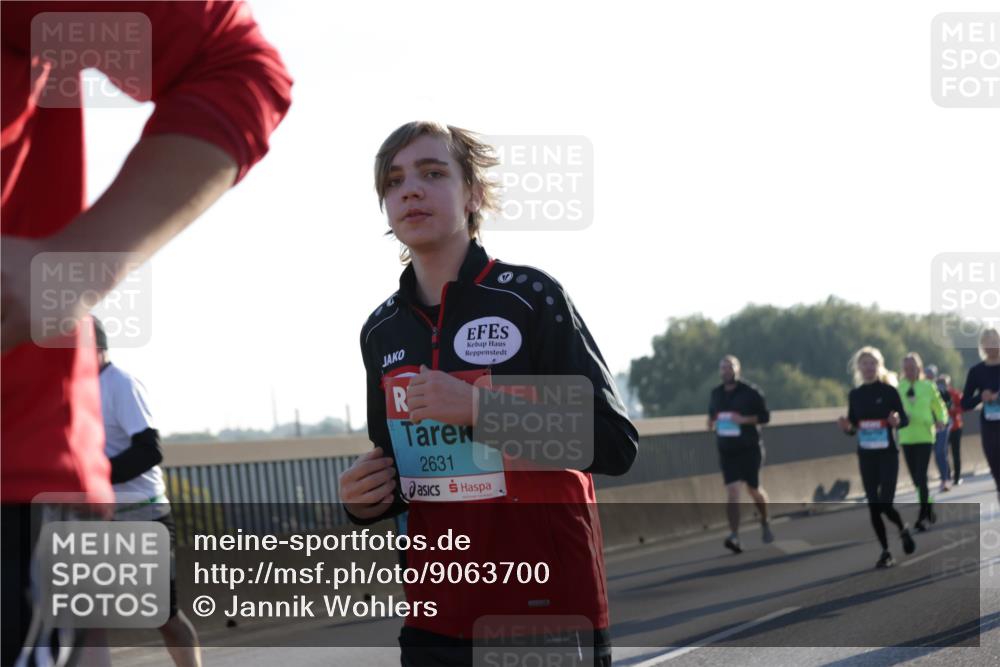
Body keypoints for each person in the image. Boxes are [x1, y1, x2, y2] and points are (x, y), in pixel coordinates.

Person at [1, 4, 292, 664]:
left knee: (162, 616)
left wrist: (70, 270)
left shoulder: (119, 382)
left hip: (81, 500)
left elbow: (236, 64)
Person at [338, 121, 638, 667]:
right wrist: (366, 501)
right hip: (434, 616)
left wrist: (480, 409)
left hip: (542, 606)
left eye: (433, 173)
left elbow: (615, 444)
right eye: (394, 180)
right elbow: (406, 476)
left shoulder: (530, 297)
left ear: (474, 193)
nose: (410, 190)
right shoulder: (380, 330)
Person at [94, 318, 201, 667]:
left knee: (162, 617)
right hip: (98, 519)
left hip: (142, 514)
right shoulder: (73, 389)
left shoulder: (120, 384)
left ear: (95, 347)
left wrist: (94, 475)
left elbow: (149, 450)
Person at [837, 346, 916, 569]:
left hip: (888, 454)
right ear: (858, 368)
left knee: (885, 503)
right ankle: (885, 551)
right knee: (873, 505)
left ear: (878, 366)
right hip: (867, 456)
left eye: (873, 363)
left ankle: (902, 529)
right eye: (865, 363)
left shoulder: (889, 391)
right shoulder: (855, 395)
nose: (869, 367)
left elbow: (905, 421)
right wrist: (846, 427)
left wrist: (897, 421)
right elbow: (854, 427)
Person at [707, 355, 773, 554]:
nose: (726, 371)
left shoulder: (751, 392)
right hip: (727, 450)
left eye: (730, 367)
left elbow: (765, 417)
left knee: (753, 490)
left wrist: (742, 419)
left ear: (738, 369)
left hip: (749, 449)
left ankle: (764, 519)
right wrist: (711, 423)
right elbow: (712, 416)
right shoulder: (716, 394)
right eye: (723, 367)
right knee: (733, 491)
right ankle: (734, 536)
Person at [897, 352, 948, 532]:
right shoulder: (899, 387)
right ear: (903, 370)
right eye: (907, 368)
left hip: (925, 435)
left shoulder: (928, 386)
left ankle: (923, 516)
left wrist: (941, 418)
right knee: (916, 480)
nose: (910, 371)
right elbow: (893, 408)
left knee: (921, 476)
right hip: (906, 436)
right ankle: (929, 504)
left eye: (913, 368)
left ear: (919, 368)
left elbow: (939, 405)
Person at [961, 328, 1000, 500]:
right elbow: (965, 403)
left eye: (995, 342)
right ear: (982, 347)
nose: (992, 346)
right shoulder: (976, 371)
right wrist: (980, 397)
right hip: (990, 427)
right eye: (988, 343)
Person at [925, 364, 952, 492]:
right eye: (927, 374)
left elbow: (949, 402)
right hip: (927, 426)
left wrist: (941, 418)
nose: (929, 376)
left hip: (941, 425)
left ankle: (945, 479)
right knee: (934, 454)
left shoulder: (939, 387)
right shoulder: (921, 388)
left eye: (931, 374)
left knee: (940, 452)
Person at [939, 373, 965, 486]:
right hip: (943, 428)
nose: (942, 385)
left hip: (955, 427)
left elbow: (963, 407)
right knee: (943, 452)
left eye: (944, 383)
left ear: (948, 383)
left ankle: (957, 477)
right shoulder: (936, 395)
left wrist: (953, 410)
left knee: (956, 453)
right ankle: (947, 476)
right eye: (940, 383)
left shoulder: (955, 394)